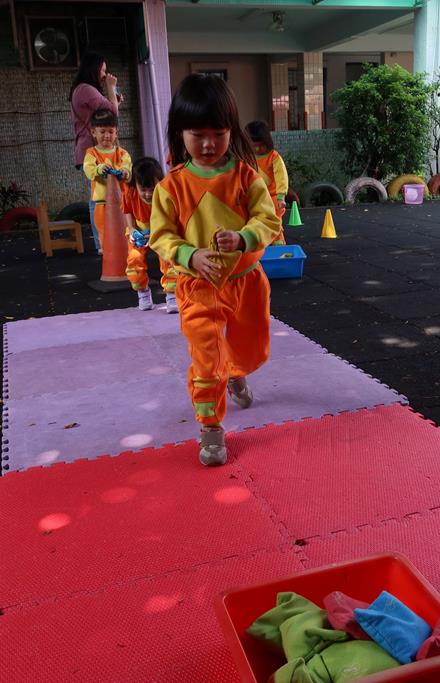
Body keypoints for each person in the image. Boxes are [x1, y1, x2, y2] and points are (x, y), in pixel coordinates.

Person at [149, 74, 280, 467]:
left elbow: (268, 220)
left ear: (231, 132)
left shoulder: (246, 177)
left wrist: (243, 238)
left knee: (250, 347)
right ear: (179, 133)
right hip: (198, 289)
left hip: (245, 284)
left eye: (218, 134)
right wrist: (189, 256)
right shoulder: (170, 187)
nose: (208, 144)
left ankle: (235, 370)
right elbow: (161, 236)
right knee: (206, 356)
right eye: (197, 134)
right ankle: (210, 428)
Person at [123, 157, 178, 313]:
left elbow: (170, 219)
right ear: (135, 185)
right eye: (143, 189)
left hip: (161, 230)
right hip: (139, 232)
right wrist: (132, 230)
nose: (147, 194)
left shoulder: (166, 192)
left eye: (151, 189)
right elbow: (127, 211)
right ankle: (143, 292)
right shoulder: (130, 192)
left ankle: (172, 294)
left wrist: (156, 234)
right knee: (134, 260)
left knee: (169, 259)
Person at [82, 109, 132, 254]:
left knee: (124, 225)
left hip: (121, 200)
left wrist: (125, 171)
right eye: (102, 131)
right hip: (101, 202)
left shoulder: (122, 153)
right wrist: (99, 169)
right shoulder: (91, 153)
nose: (107, 135)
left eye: (111, 131)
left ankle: (127, 248)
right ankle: (106, 250)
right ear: (93, 132)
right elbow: (88, 170)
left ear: (116, 133)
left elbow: (128, 166)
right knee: (103, 227)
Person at [70, 51, 121, 169]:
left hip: (89, 150)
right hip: (93, 151)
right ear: (93, 69)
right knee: (104, 182)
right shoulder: (86, 90)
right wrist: (111, 86)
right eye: (103, 70)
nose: (105, 75)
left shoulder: (81, 89)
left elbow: (109, 113)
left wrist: (115, 102)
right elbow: (114, 112)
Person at [246, 120, 289, 245]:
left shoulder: (273, 157)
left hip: (273, 198)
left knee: (274, 222)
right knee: (256, 222)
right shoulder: (248, 158)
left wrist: (281, 197)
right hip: (256, 198)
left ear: (267, 142)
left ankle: (278, 245)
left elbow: (281, 177)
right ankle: (260, 246)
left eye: (261, 145)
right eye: (254, 146)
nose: (258, 149)